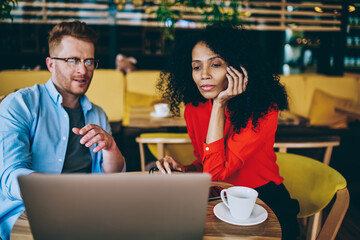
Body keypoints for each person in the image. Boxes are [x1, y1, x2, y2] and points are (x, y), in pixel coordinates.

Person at [155, 23, 300, 239]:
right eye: (196, 67)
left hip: (262, 199)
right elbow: (209, 167)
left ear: (237, 67)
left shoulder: (263, 109)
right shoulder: (194, 109)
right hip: (217, 198)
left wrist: (220, 104)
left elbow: (215, 173)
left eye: (215, 64)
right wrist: (184, 170)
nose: (204, 75)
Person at [0, 20, 125, 240]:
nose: (83, 70)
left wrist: (111, 147)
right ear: (51, 64)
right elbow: (11, 176)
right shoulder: (19, 105)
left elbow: (112, 180)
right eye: (72, 60)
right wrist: (63, 195)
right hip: (27, 214)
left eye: (89, 61)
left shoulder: (98, 115)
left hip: (87, 214)